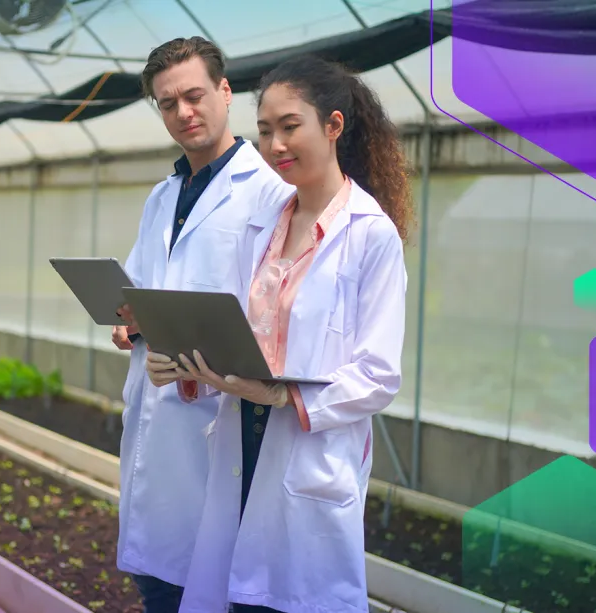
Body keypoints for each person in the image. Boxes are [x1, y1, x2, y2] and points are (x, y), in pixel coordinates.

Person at [161, 54, 413, 613]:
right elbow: (238, 333)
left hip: (307, 450)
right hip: (241, 440)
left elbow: (378, 376)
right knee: (235, 595)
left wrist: (279, 394)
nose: (275, 144)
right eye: (266, 131)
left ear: (333, 125)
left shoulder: (370, 236)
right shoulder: (266, 224)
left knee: (289, 599)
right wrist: (190, 366)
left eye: (290, 126)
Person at [110, 37, 296, 613]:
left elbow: (275, 315)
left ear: (224, 91)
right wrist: (132, 326)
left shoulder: (270, 195)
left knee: (210, 578)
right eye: (167, 104)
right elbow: (144, 288)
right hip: (156, 404)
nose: (183, 113)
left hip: (220, 417)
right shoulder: (163, 197)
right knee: (156, 574)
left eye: (194, 96)